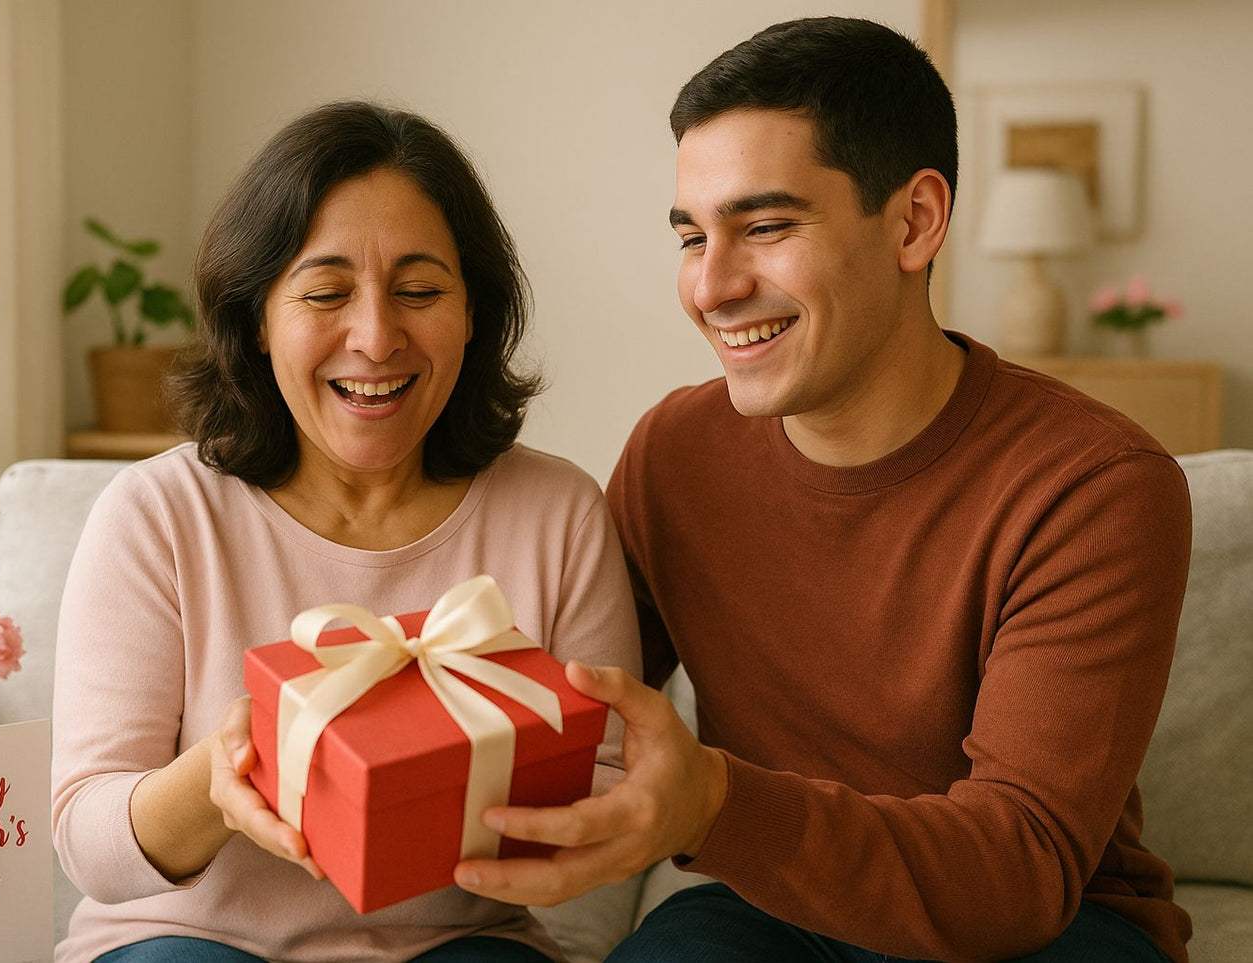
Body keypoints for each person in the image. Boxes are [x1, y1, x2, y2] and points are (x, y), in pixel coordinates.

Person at [453, 17, 1192, 963]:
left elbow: (1018, 871)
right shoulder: (675, 451)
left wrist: (713, 800)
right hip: (766, 908)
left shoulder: (1095, 487)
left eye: (765, 227)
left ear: (914, 222)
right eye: (691, 236)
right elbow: (556, 710)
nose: (710, 287)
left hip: (1044, 926)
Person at [51, 101, 640, 963]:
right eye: (326, 292)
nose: (374, 336)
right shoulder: (158, 515)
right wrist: (221, 779)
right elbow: (88, 845)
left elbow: (610, 791)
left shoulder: (557, 512)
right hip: (190, 941)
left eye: (419, 291)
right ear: (258, 320)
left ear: (473, 310)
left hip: (459, 941)